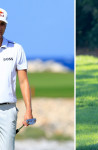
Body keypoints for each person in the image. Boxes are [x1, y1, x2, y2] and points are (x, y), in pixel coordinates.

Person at [0, 8, 33, 149]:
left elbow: (24, 82)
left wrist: (29, 110)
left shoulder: (16, 49)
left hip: (8, 110)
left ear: (6, 26)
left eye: (2, 24)